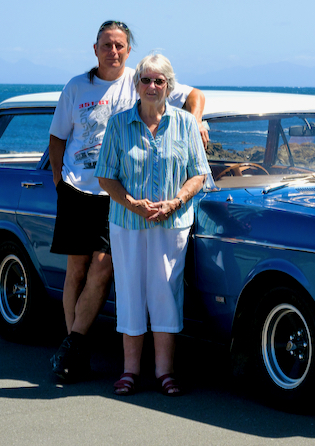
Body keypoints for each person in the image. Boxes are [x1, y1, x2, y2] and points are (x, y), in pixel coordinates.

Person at [47, 21, 206, 382]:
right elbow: (56, 138)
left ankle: (74, 347)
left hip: (118, 197)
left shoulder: (142, 77)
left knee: (102, 270)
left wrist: (194, 124)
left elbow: (194, 96)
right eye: (107, 45)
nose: (113, 51)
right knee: (76, 270)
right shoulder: (77, 87)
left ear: (128, 50)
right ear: (95, 49)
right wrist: (59, 183)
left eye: (119, 45)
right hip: (78, 189)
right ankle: (75, 350)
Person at [95, 53, 210, 396]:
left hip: (172, 222)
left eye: (159, 81)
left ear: (168, 86)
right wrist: (133, 204)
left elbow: (199, 174)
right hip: (127, 222)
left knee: (166, 293)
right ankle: (130, 371)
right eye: (145, 80)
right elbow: (105, 176)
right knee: (130, 291)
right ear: (137, 85)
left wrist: (175, 202)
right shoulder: (118, 124)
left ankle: (165, 373)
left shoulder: (186, 124)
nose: (152, 86)